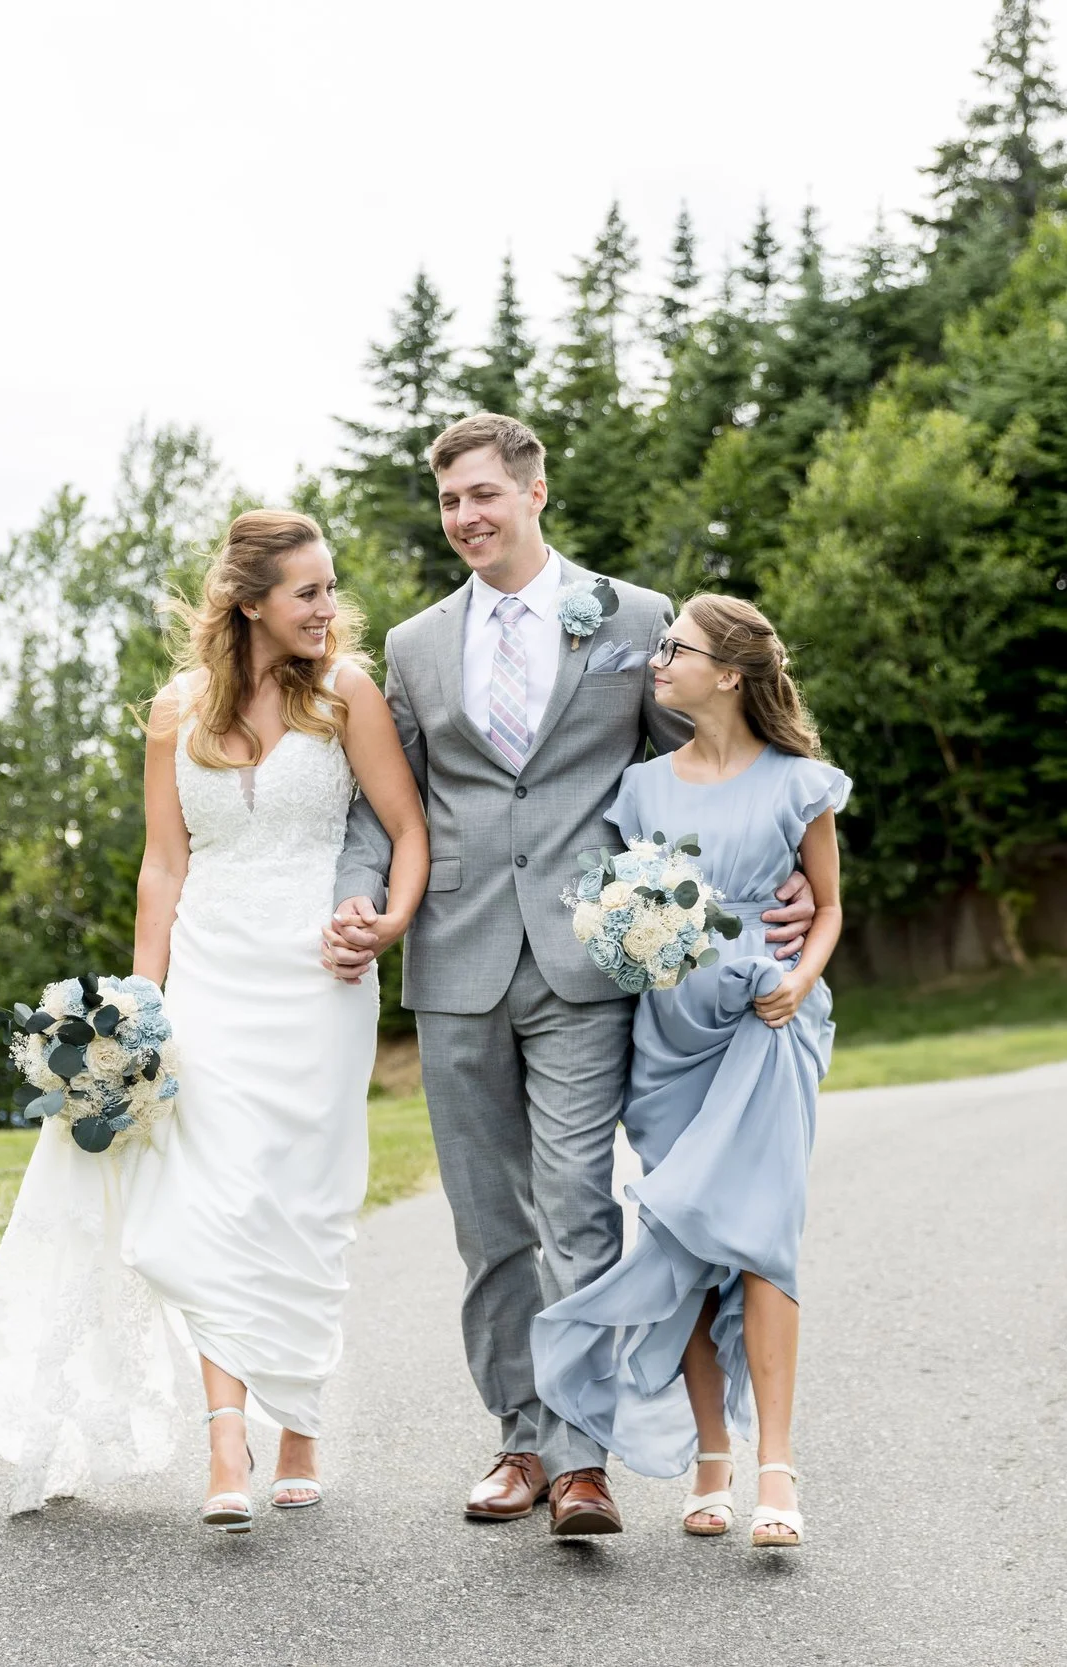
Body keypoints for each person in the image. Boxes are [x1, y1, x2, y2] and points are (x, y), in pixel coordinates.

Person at [324, 415, 814, 1536]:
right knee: (488, 1219)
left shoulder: (637, 619)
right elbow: (380, 803)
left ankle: (583, 1458)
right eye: (450, 501)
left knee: (580, 1207)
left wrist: (785, 869)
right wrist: (359, 902)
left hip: (589, 963)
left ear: (536, 492)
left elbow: (715, 753)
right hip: (452, 959)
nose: (467, 518)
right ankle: (517, 1437)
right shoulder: (412, 646)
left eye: (486, 494)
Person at [0, 509, 429, 1532]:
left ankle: (297, 1422)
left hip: (317, 979)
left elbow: (405, 827)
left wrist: (385, 923)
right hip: (209, 977)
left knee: (304, 1201)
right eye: (308, 590)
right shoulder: (175, 711)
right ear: (250, 600)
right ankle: (225, 1435)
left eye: (329, 587)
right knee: (205, 1201)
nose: (328, 607)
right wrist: (138, 1007)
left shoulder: (348, 694)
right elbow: (163, 864)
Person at [531, 594, 848, 1552]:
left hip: (766, 1028)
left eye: (678, 649)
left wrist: (799, 978)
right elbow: (625, 910)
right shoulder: (641, 789)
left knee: (762, 1241)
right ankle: (712, 1453)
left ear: (731, 673)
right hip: (668, 1038)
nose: (659, 660)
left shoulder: (801, 783)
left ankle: (777, 1466)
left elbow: (829, 909)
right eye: (662, 646)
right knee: (689, 1244)